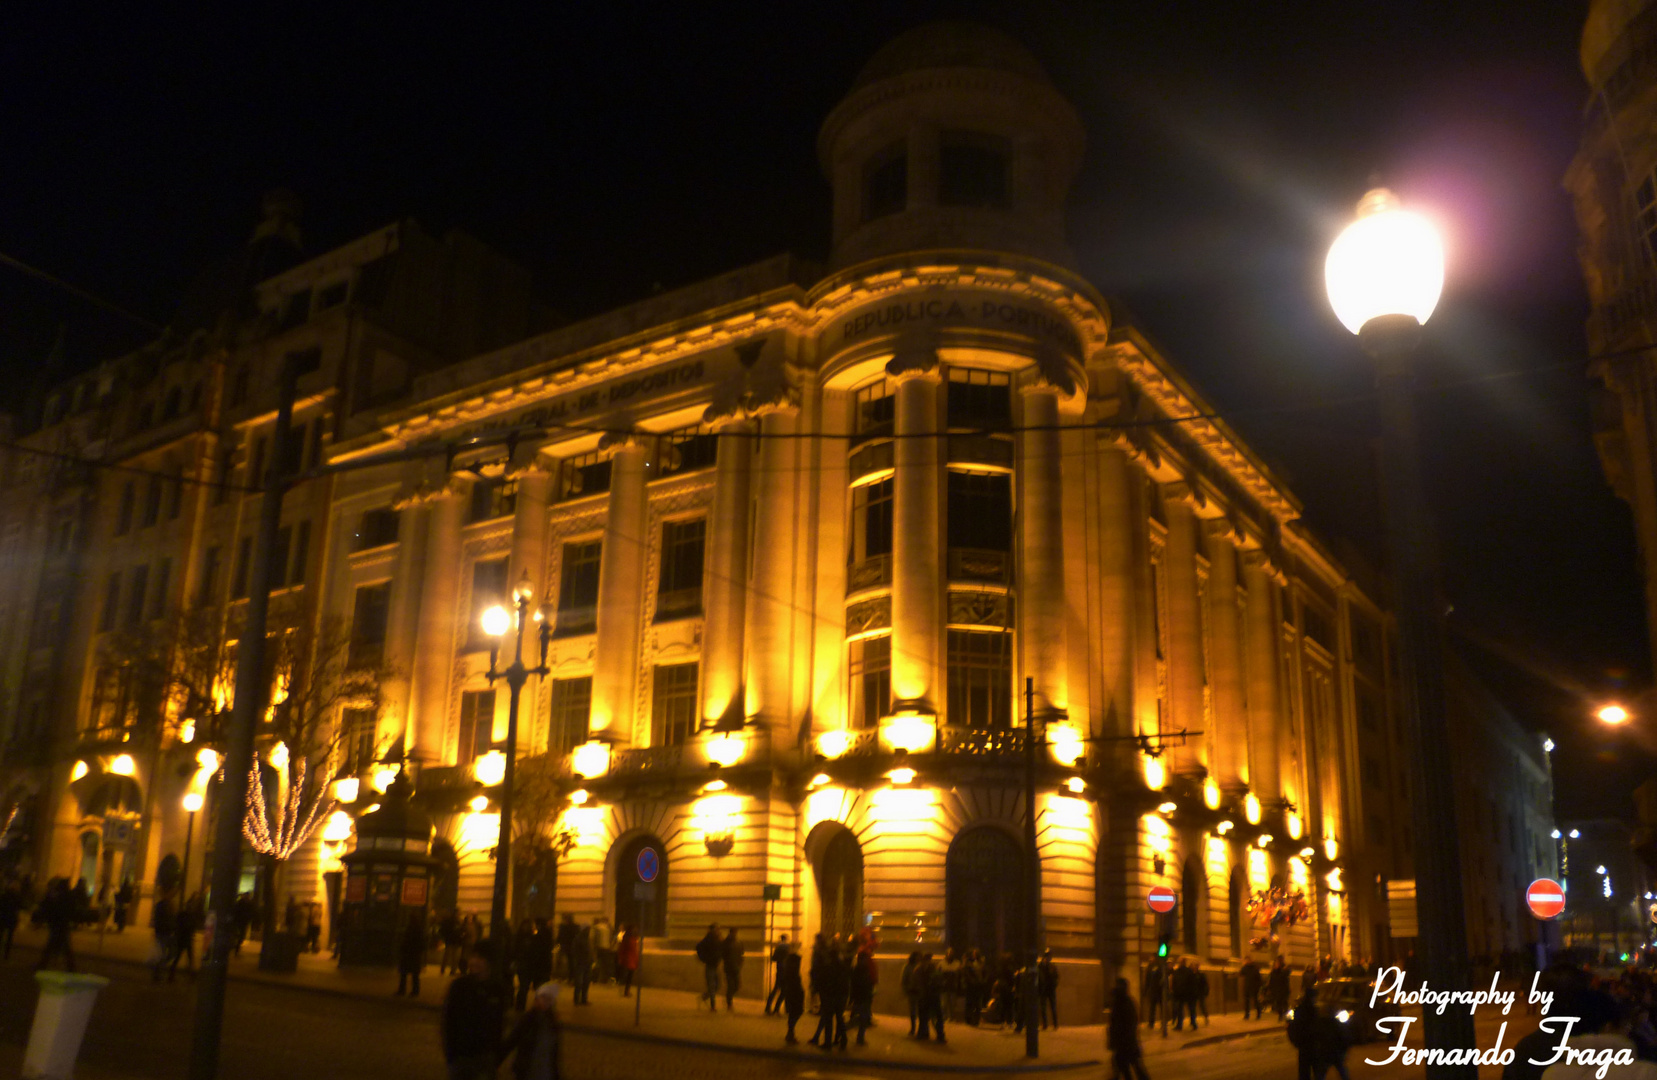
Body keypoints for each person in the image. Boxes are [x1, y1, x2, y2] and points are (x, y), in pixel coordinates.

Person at [442, 948, 507, 1080]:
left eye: (480, 958)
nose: (474, 962)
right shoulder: (460, 986)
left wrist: (495, 1053)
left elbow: (498, 1022)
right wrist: (451, 1052)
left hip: (485, 1054)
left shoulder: (496, 988)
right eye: (473, 957)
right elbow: (448, 1020)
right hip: (461, 1054)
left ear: (490, 962)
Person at [502, 980, 563, 1080]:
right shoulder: (527, 1019)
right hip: (528, 1071)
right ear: (536, 999)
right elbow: (511, 1041)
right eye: (542, 997)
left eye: (548, 999)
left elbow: (554, 1053)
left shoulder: (553, 1023)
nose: (545, 1001)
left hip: (546, 1073)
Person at [1108, 978, 1150, 1080]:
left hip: (1125, 1042)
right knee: (1132, 1067)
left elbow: (1121, 1023)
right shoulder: (1126, 1001)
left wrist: (1115, 1039)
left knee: (1126, 1067)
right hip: (1127, 1042)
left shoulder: (1121, 1002)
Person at [34, 878, 76, 972]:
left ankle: (44, 964)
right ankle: (70, 967)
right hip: (62, 924)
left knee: (57, 946)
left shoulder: (60, 896)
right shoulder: (66, 896)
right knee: (63, 947)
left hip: (58, 924)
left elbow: (51, 909)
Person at [850, 943, 877, 1045]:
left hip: (860, 997)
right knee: (862, 1018)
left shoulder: (857, 969)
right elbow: (864, 983)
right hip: (863, 997)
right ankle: (858, 1037)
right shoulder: (862, 969)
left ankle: (846, 1033)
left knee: (860, 1018)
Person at [779, 945, 806, 1044]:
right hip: (794, 993)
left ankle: (790, 1033)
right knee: (796, 1012)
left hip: (791, 992)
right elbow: (795, 984)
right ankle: (790, 1033)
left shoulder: (789, 970)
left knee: (793, 1013)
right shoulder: (792, 972)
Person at [169, 893, 199, 980]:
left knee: (180, 957)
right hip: (185, 939)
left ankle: (172, 974)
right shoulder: (188, 916)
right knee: (188, 958)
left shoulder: (182, 915)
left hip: (182, 939)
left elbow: (177, 925)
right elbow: (191, 927)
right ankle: (191, 976)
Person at [695, 924, 724, 1010]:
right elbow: (698, 947)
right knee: (712, 986)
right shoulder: (708, 939)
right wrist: (704, 959)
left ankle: (704, 997)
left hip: (716, 966)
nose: (718, 931)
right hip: (710, 966)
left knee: (718, 985)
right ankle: (713, 1006)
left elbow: (722, 949)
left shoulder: (719, 939)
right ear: (711, 930)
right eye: (716, 929)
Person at [398, 914, 427, 997]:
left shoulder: (409, 929)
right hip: (415, 955)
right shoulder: (419, 930)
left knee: (404, 974)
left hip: (408, 954)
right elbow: (422, 944)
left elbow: (405, 941)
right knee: (415, 975)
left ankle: (402, 990)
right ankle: (415, 991)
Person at [514, 919, 539, 1011]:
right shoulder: (524, 938)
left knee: (524, 987)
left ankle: (520, 1006)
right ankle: (520, 1006)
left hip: (526, 965)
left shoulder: (527, 937)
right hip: (524, 965)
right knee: (524, 987)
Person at [569, 922, 593, 1005]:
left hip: (587, 963)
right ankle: (576, 999)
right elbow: (574, 951)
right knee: (579, 982)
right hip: (580, 963)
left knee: (586, 982)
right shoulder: (578, 939)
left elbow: (590, 950)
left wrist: (592, 959)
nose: (589, 931)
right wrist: (577, 960)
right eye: (587, 929)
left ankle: (583, 999)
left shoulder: (588, 939)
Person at [766, 934, 790, 1014]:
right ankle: (777, 1008)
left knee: (776, 989)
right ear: (786, 939)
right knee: (784, 991)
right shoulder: (788, 947)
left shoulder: (778, 947)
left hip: (780, 970)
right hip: (785, 971)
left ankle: (768, 1007)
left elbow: (773, 958)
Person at [722, 927, 744, 1010]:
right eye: (734, 933)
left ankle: (729, 998)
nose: (735, 934)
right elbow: (723, 954)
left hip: (736, 967)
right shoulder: (726, 942)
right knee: (730, 985)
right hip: (729, 967)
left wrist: (740, 963)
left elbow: (741, 954)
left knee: (737, 985)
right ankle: (729, 1003)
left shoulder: (739, 942)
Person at [0, 878, 22, 961]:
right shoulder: (17, 897)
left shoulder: (4, 895)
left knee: (1, 935)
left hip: (3, 917)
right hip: (12, 918)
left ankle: (3, 953)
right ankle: (6, 954)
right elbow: (20, 906)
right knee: (9, 937)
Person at [1038, 949, 1060, 1030]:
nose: (1047, 958)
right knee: (1043, 1007)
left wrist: (1054, 985)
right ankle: (1045, 1024)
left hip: (1050, 989)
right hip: (1044, 989)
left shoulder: (1052, 966)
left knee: (1053, 1007)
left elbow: (1056, 977)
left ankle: (1055, 1024)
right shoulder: (1041, 966)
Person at [616, 924, 640, 995]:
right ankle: (625, 991)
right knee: (628, 976)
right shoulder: (630, 939)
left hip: (629, 959)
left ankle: (626, 991)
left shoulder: (630, 938)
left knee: (628, 976)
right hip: (629, 959)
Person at [1142, 956, 1165, 1027]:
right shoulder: (1149, 967)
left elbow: (1161, 978)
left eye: (1152, 958)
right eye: (1150, 958)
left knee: (1161, 1007)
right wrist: (1145, 991)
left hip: (1159, 991)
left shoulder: (1158, 967)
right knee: (1152, 1008)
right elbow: (1147, 981)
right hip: (1153, 991)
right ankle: (1151, 1023)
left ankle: (1163, 1022)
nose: (1150, 959)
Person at [1268, 956, 1291, 1021]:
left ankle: (1287, 1016)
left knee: (1284, 1004)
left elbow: (1286, 980)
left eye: (1277, 963)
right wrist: (1270, 989)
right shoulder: (1273, 972)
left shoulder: (1283, 971)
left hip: (1283, 990)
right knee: (1278, 1004)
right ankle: (1280, 1016)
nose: (1276, 964)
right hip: (1276, 990)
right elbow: (1271, 981)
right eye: (1275, 963)